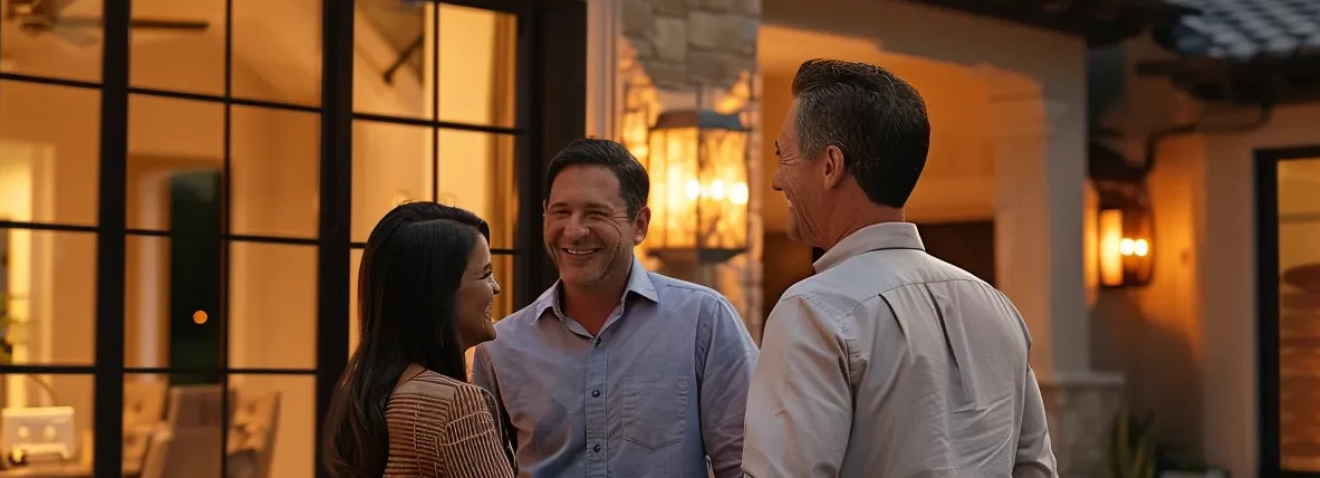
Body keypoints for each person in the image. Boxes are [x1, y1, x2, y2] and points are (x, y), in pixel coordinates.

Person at [743, 59, 1059, 477]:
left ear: (830, 166)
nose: (776, 182)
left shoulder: (815, 310)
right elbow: (1035, 469)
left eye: (784, 158)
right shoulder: (997, 306)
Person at [472, 138, 759, 478]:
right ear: (545, 213)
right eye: (561, 212)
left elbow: (746, 465)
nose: (574, 230)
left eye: (596, 213)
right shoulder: (501, 347)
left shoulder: (704, 320)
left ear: (639, 224)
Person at [322, 202, 514, 478]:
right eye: (485, 274)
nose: (496, 287)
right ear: (440, 293)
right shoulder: (457, 403)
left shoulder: (365, 393)